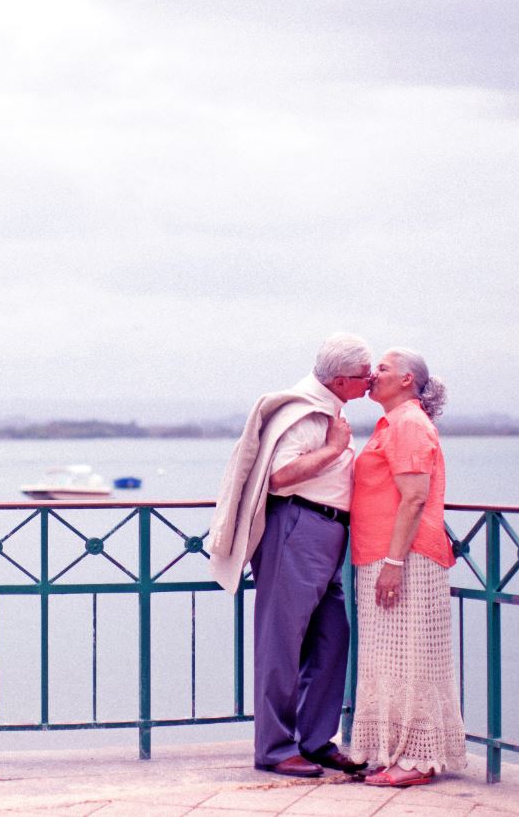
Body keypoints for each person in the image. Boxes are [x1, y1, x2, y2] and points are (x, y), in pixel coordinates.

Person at [208, 333, 374, 777]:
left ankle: (315, 740)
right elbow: (280, 477)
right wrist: (334, 450)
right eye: (364, 375)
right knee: (281, 642)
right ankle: (276, 749)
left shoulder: (328, 408)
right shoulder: (306, 414)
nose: (370, 381)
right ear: (340, 380)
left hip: (325, 532)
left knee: (332, 637)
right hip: (297, 527)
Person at [346, 348, 466, 786]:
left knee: (412, 658)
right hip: (382, 556)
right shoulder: (393, 423)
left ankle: (416, 761)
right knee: (390, 661)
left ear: (407, 380)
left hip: (405, 559)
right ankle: (394, 751)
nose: (371, 374)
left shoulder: (410, 424)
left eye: (382, 368)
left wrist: (394, 563)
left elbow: (415, 498)